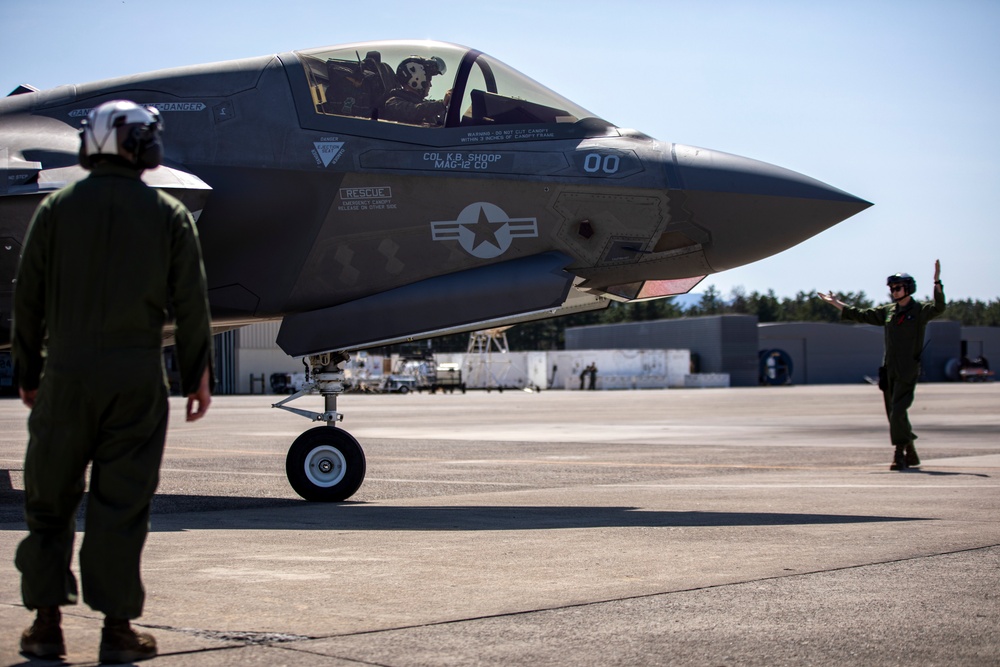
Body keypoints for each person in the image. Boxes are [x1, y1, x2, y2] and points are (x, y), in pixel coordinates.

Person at [11, 100, 214, 663]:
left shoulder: (53, 210)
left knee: (49, 503)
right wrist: (197, 373)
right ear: (138, 145)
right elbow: (193, 304)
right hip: (135, 377)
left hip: (66, 375)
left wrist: (28, 373)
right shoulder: (169, 215)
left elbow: (27, 302)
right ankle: (117, 632)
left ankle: (46, 626)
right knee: (120, 505)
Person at [818, 260, 945, 471]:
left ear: (908, 288)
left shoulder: (920, 311)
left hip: (907, 369)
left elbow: (939, 307)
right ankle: (910, 449)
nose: (894, 292)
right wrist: (835, 303)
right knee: (893, 414)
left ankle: (899, 454)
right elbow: (861, 314)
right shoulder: (888, 312)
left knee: (898, 412)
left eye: (897, 288)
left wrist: (937, 282)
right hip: (888, 369)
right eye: (892, 289)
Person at [381, 56, 451, 125]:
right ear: (416, 79)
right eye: (429, 80)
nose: (430, 85)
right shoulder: (393, 103)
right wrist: (442, 104)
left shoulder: (425, 105)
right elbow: (414, 111)